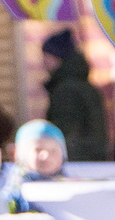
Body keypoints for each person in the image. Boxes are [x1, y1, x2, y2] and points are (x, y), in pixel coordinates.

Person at [42, 29, 110, 162]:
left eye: (46, 56)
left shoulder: (66, 90)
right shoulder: (83, 85)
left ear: (57, 57)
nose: (44, 62)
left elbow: (65, 131)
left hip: (76, 162)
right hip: (91, 159)